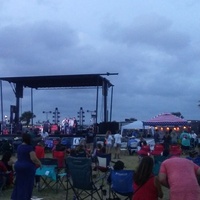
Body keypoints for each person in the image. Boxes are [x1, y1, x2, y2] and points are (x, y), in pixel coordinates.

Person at [11, 133, 42, 200]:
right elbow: (33, 158)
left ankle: (16, 197)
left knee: (19, 183)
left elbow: (17, 156)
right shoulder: (30, 147)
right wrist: (39, 163)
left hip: (18, 166)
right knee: (27, 184)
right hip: (27, 167)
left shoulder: (19, 146)